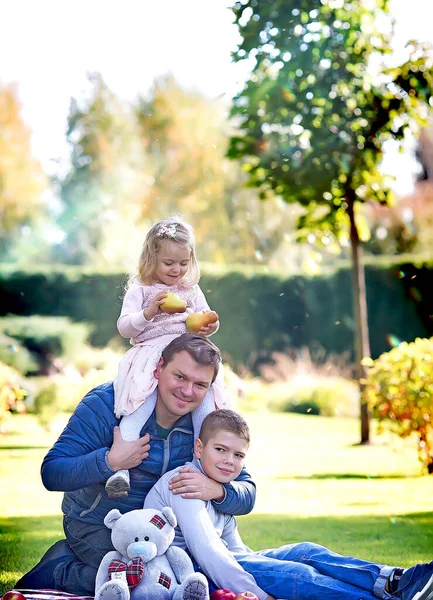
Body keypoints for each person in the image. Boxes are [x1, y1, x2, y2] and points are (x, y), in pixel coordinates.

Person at [15, 335, 256, 596]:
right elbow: (52, 472)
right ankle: (58, 570)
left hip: (164, 531)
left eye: (200, 384)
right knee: (148, 581)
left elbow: (247, 492)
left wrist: (217, 490)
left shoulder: (205, 423)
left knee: (194, 578)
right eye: (180, 377)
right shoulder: (108, 403)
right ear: (159, 367)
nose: (188, 391)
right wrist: (110, 461)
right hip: (101, 524)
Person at [145, 409, 433, 600]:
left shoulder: (217, 487)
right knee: (299, 575)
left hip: (223, 561)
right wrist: (259, 595)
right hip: (191, 574)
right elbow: (209, 554)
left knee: (305, 552)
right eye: (220, 449)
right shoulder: (184, 483)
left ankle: (394, 580)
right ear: (199, 448)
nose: (229, 461)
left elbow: (236, 550)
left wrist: (266, 564)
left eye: (238, 455)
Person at [107, 216, 230, 498]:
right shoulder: (141, 288)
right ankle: (120, 470)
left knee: (206, 407)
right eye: (169, 263)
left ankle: (202, 468)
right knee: (139, 404)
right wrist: (150, 311)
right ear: (152, 258)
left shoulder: (190, 289)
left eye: (183, 263)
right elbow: (124, 326)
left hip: (188, 357)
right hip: (152, 356)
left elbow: (204, 318)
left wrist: (210, 324)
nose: (177, 270)